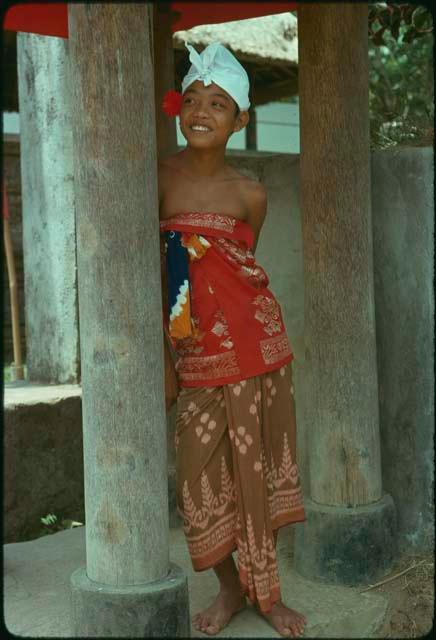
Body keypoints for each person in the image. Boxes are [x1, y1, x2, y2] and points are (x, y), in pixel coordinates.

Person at [159, 42, 307, 638]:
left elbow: (243, 270)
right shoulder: (160, 177)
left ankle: (268, 597)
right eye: (192, 98)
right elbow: (157, 275)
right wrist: (166, 360)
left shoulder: (252, 193)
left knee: (258, 473)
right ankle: (228, 588)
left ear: (241, 119)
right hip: (194, 357)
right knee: (198, 479)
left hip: (259, 349)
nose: (201, 110)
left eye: (218, 103)